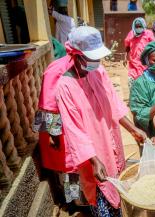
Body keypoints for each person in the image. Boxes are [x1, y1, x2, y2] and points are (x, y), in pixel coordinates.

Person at [35, 26, 147, 216]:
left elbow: (113, 103)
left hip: (96, 137)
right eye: (92, 57)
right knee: (71, 174)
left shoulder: (98, 71)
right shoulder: (57, 75)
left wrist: (132, 128)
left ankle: (84, 202)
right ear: (75, 53)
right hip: (66, 135)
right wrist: (53, 137)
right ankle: (75, 204)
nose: (97, 61)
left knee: (95, 177)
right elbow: (47, 106)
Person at [124, 17, 155, 88]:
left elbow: (154, 46)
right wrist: (125, 57)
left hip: (145, 64)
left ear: (143, 25)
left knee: (145, 84)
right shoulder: (131, 34)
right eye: (136, 26)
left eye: (140, 26)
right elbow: (127, 46)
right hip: (133, 64)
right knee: (132, 83)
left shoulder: (148, 34)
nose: (138, 28)